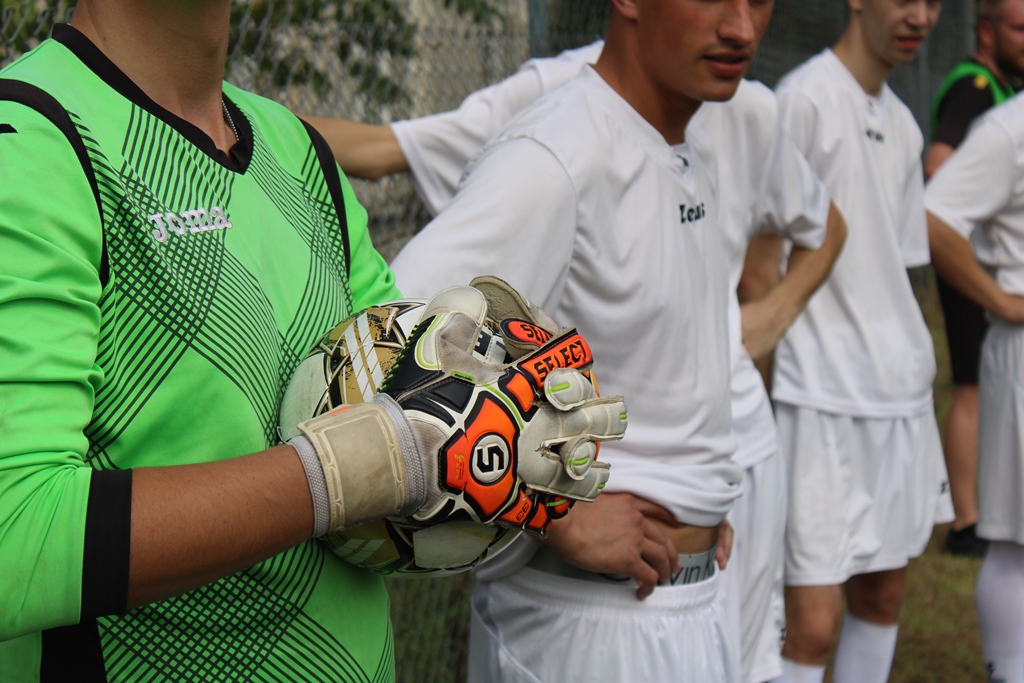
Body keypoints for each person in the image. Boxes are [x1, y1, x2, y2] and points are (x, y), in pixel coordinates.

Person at [0, 2, 623, 680]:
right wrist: (349, 468)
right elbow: (16, 540)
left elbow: (393, 461)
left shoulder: (294, 146)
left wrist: (500, 435)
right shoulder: (28, 141)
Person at [309, 40, 847, 683]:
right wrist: (554, 517)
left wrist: (698, 490)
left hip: (693, 601)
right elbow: (389, 354)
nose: (741, 26)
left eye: (759, 2)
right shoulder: (552, 153)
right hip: (585, 618)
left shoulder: (703, 133)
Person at [767, 1, 951, 682]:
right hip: (815, 395)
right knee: (811, 623)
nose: (920, 16)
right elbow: (763, 260)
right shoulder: (802, 100)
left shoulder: (903, 124)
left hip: (897, 396)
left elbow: (897, 266)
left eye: (933, 3)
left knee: (882, 596)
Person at [926, 90, 1024, 683]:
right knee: (1016, 539)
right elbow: (934, 218)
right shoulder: (1009, 129)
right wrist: (1002, 302)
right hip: (1020, 351)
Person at [924, 0, 1024, 558]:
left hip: (980, 264)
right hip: (975, 270)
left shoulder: (1000, 89)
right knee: (970, 387)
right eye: (1019, 27)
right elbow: (939, 166)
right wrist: (987, 207)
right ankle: (967, 516)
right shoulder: (976, 89)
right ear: (986, 33)